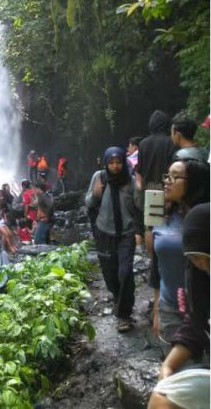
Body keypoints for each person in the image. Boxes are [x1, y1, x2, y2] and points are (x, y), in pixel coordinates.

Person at [148, 202, 209, 409]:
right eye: (196, 260)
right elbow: (197, 323)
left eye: (208, 260)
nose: (204, 268)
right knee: (160, 397)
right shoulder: (200, 280)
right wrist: (167, 365)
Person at [149, 159, 210, 350]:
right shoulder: (161, 213)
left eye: (175, 177)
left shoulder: (204, 219)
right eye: (167, 176)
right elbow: (156, 265)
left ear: (194, 183)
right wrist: (157, 311)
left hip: (204, 310)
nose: (167, 181)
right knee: (176, 371)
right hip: (170, 308)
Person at [85, 147, 143, 332]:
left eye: (118, 162)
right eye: (111, 163)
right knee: (110, 276)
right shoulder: (99, 177)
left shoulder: (130, 180)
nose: (115, 166)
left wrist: (141, 190)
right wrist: (94, 195)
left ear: (123, 163)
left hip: (126, 233)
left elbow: (139, 207)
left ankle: (124, 315)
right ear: (106, 163)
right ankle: (119, 300)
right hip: (103, 233)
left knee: (125, 272)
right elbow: (88, 202)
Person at [136, 110, 177, 192]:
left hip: (148, 190)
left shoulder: (143, 143)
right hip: (167, 189)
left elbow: (139, 171)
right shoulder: (171, 142)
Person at [33, 181, 54, 245]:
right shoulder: (41, 196)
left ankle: (44, 254)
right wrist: (36, 220)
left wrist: (47, 217)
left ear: (39, 188)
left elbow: (50, 205)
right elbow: (40, 208)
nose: (34, 191)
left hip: (44, 220)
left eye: (35, 189)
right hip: (42, 220)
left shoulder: (43, 196)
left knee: (38, 240)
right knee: (44, 240)